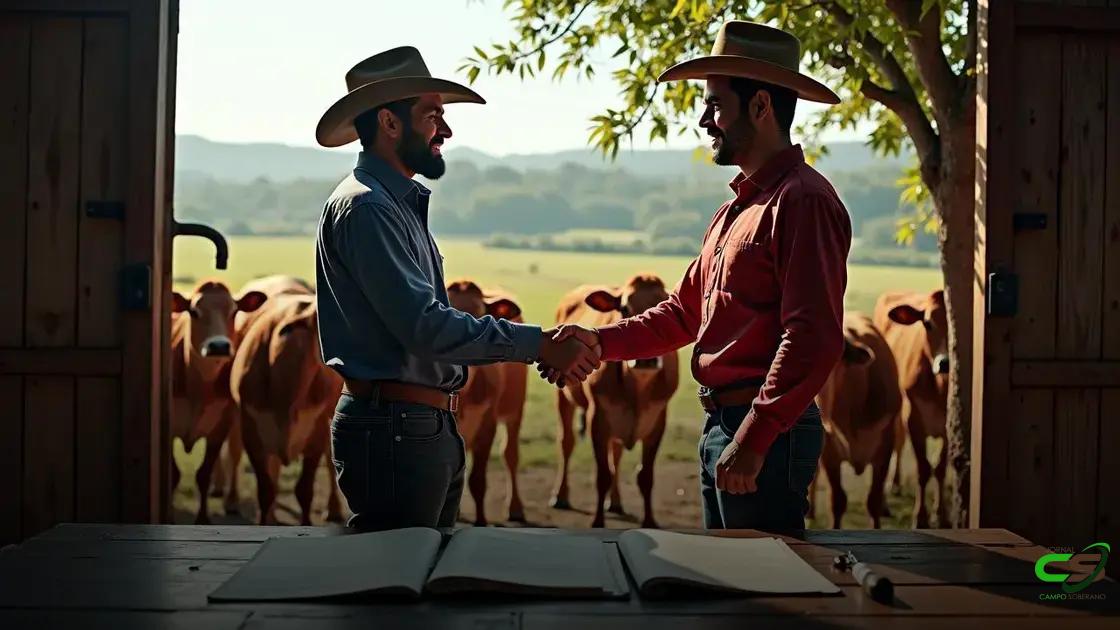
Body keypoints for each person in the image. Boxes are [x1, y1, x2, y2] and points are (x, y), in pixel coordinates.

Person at [545, 21, 852, 530]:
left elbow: (812, 337)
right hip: (726, 426)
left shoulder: (804, 201)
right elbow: (683, 315)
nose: (704, 121)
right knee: (731, 596)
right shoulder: (735, 210)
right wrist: (598, 342)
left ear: (759, 107)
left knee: (762, 598)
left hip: (763, 434)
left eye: (714, 105)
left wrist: (755, 437)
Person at [314, 46, 599, 531]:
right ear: (389, 123)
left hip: (417, 425)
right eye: (433, 116)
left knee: (421, 577)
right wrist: (538, 344)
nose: (445, 131)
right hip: (396, 428)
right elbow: (424, 328)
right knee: (400, 581)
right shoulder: (369, 209)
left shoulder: (392, 205)